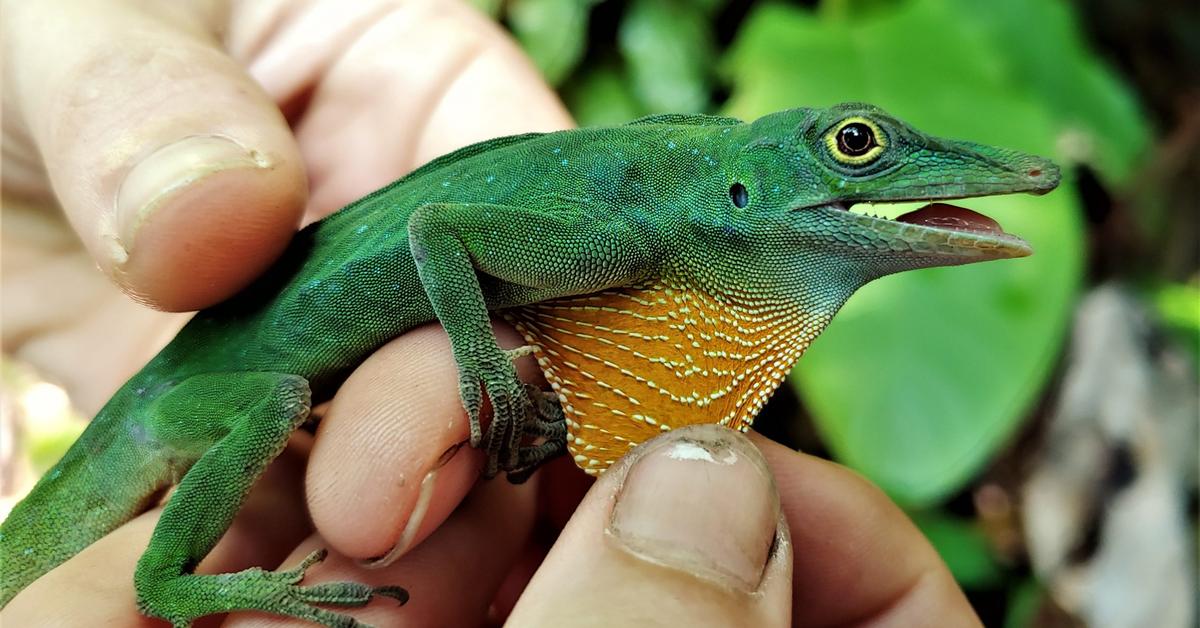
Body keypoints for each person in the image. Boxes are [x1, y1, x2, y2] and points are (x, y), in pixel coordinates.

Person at [0, 0, 979, 625]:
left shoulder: (646, 229)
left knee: (366, 451)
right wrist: (474, 351)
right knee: (276, 396)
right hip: (177, 401)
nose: (869, 168)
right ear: (742, 183)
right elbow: (439, 229)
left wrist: (524, 387)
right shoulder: (626, 241)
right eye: (857, 146)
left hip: (200, 369)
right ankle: (167, 581)